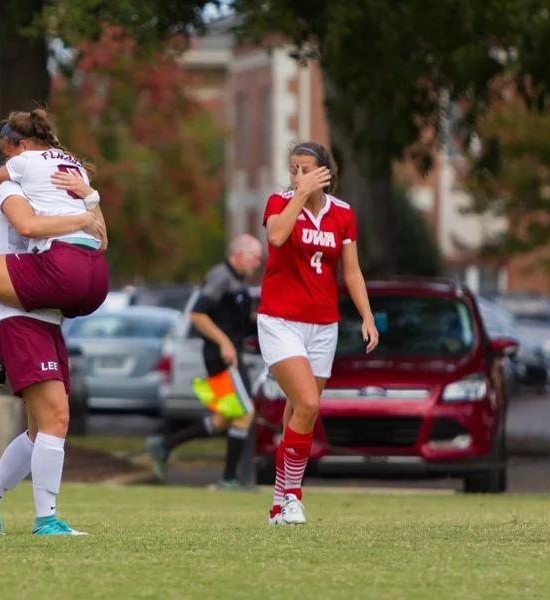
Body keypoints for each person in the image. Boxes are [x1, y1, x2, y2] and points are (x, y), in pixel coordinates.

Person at [0, 173, 106, 536]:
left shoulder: (56, 202)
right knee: (56, 419)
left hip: (46, 318)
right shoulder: (13, 190)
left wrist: (90, 198)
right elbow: (26, 226)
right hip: (21, 317)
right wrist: (82, 215)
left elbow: (100, 241)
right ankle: (47, 520)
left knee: (40, 428)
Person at [0, 109, 110, 394]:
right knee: (49, 427)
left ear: (21, 146)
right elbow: (103, 241)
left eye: (7, 155)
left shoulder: (22, 166)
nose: (8, 162)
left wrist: (1, 188)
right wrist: (89, 202)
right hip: (96, 276)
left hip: (61, 269)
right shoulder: (76, 169)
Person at [259, 141, 378, 525]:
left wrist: (367, 316)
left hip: (323, 324)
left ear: (325, 172)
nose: (298, 176)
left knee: (299, 412)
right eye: (293, 169)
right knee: (308, 403)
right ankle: (293, 495)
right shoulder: (279, 201)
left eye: (306, 169)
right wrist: (300, 195)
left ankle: (279, 503)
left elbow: (352, 270)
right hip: (280, 320)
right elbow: (276, 237)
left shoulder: (342, 214)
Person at [144, 235, 263, 489]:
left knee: (223, 418)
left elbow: (233, 319)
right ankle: (229, 480)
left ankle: (163, 445)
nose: (258, 264)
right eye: (255, 258)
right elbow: (198, 314)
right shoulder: (220, 276)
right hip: (222, 357)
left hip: (227, 354)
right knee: (245, 413)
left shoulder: (237, 280)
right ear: (238, 255)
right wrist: (224, 342)